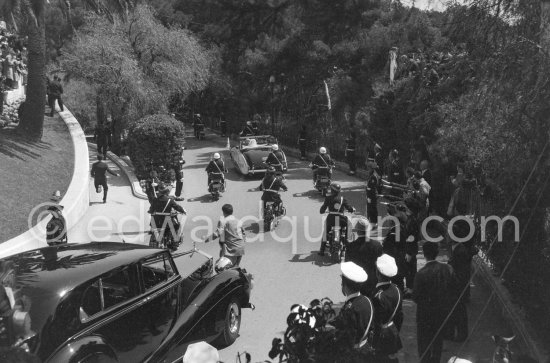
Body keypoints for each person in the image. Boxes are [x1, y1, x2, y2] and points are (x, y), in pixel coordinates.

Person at [413, 241, 456, 363]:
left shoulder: (421, 274)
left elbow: (415, 297)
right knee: (438, 343)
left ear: (425, 254)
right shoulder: (448, 269)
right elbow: (455, 289)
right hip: (441, 313)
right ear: (437, 253)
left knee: (424, 346)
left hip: (424, 316)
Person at [325, 262, 374, 359]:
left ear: (345, 286)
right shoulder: (367, 300)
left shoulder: (349, 309)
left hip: (353, 355)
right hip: (366, 349)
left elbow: (346, 338)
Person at [371, 254, 403, 362]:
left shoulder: (377, 296)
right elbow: (400, 316)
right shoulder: (397, 290)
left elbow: (376, 323)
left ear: (377, 273)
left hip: (381, 338)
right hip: (393, 332)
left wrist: (373, 343)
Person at [447, 220, 471, 342]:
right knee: (454, 310)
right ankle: (452, 333)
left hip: (458, 287)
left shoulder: (460, 251)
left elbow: (462, 273)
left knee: (459, 311)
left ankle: (462, 334)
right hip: (455, 286)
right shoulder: (456, 248)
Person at [346, 217, 383, 296]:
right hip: (373, 283)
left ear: (357, 231)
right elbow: (381, 266)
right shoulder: (377, 245)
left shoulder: (350, 247)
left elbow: (347, 269)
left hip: (356, 283)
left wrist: (345, 285)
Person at [319, 183, 355, 256]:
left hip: (331, 219)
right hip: (341, 219)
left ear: (332, 190)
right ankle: (347, 240)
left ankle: (322, 250)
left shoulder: (328, 198)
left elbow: (322, 209)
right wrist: (352, 209)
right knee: (349, 224)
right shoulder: (342, 199)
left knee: (325, 232)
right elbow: (349, 208)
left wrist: (322, 211)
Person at [365, 159, 379, 226]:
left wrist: (370, 197)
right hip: (370, 195)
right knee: (370, 209)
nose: (367, 169)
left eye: (368, 167)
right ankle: (371, 222)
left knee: (372, 209)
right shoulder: (371, 174)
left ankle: (374, 223)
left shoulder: (373, 176)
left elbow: (372, 188)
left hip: (372, 196)